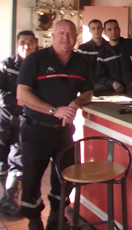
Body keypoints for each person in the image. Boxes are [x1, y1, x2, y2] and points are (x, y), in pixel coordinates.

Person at [17, 20, 93, 230]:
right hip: (36, 129)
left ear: (76, 36)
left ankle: (56, 217)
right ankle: (33, 220)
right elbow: (22, 94)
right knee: (32, 179)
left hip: (64, 132)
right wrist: (53, 110)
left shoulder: (82, 62)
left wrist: (76, 103)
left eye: (70, 34)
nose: (65, 38)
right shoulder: (35, 59)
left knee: (64, 176)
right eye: (61, 33)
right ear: (53, 35)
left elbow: (88, 92)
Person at [0, 31, 37, 216]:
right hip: (4, 119)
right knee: (1, 160)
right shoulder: (6, 65)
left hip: (25, 120)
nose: (26, 46)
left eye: (30, 42)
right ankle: (6, 197)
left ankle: (9, 198)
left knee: (18, 157)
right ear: (17, 44)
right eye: (23, 42)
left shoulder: (37, 67)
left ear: (35, 44)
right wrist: (19, 100)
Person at [96, 19, 126, 94]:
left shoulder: (130, 46)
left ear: (119, 30)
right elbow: (100, 76)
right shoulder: (102, 53)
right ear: (105, 32)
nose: (113, 31)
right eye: (109, 29)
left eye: (116, 28)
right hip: (115, 92)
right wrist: (112, 83)